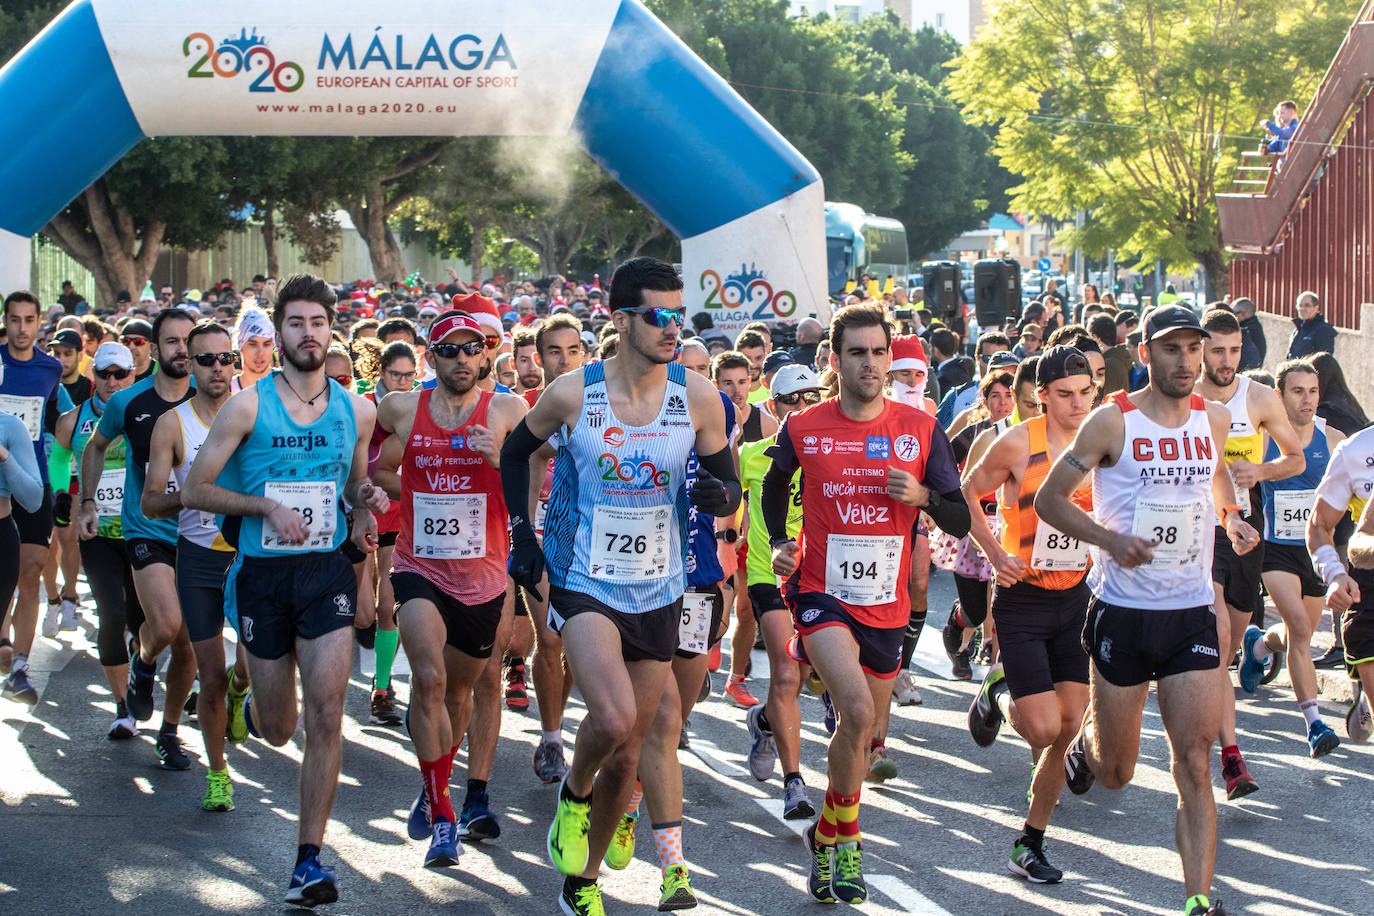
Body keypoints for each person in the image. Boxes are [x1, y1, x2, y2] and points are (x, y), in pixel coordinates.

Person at [500, 257, 738, 915]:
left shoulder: (697, 397)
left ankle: (583, 882)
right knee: (611, 718)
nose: (671, 328)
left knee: (631, 749)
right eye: (658, 316)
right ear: (622, 319)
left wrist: (720, 494)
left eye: (678, 315)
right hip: (584, 578)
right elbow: (516, 451)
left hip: (660, 586)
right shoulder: (575, 393)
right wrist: (523, 535)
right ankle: (572, 793)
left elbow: (728, 490)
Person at [1037, 305, 1257, 916]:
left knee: (1194, 760)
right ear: (1146, 353)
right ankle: (1085, 744)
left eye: (1196, 349)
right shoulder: (1113, 422)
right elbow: (1052, 500)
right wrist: (1110, 542)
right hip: (1122, 614)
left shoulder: (1211, 418)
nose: (1187, 360)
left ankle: (1198, 900)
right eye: (1173, 349)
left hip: (1190, 613)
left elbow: (1213, 476)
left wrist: (1232, 518)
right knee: (1116, 774)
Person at [182, 274, 389, 907]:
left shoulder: (356, 409)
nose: (308, 334)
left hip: (325, 571)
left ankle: (309, 859)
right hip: (262, 578)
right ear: (279, 333)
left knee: (329, 714)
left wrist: (367, 502)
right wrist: (264, 506)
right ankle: (249, 702)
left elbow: (356, 487)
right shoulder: (247, 405)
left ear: (332, 330)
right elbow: (194, 490)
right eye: (295, 323)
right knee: (279, 728)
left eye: (318, 323)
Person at [765, 302, 968, 905]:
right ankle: (850, 843)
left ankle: (826, 835)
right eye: (858, 352)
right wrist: (780, 541)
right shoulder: (804, 426)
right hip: (819, 589)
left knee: (865, 730)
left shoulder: (920, 427)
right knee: (852, 710)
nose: (872, 363)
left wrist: (925, 494)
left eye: (880, 352)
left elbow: (958, 512)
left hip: (887, 599)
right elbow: (776, 484)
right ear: (834, 358)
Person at [374, 311, 526, 868]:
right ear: (430, 358)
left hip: (483, 577)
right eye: (449, 350)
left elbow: (538, 480)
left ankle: (432, 776)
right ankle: (443, 815)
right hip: (419, 566)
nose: (462, 359)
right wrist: (391, 494)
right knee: (430, 678)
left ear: (485, 356)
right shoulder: (402, 409)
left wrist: (498, 459)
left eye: (472, 350)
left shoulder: (508, 410)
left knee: (458, 695)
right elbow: (385, 468)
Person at [962, 346, 1097, 884]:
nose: (1077, 404)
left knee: (1067, 728)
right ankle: (996, 690)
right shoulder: (1017, 441)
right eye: (1065, 395)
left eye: (1086, 393)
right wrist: (997, 556)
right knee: (1043, 729)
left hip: (1077, 597)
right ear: (1041, 395)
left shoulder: (1103, 439)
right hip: (1023, 596)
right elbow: (965, 492)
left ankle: (1030, 842)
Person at [79, 308, 199, 770]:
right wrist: (87, 502)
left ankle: (169, 733)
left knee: (188, 643)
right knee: (165, 625)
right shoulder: (127, 401)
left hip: (196, 533)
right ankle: (144, 662)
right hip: (145, 526)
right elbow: (92, 447)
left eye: (188, 341)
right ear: (153, 350)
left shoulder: (213, 401)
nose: (181, 350)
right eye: (171, 342)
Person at [1194, 308, 1302, 799]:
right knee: (1216, 637)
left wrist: (1261, 473)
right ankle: (1232, 758)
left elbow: (1294, 455)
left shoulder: (1258, 397)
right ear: (1200, 349)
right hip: (1199, 528)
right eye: (1217, 350)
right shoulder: (1185, 400)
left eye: (1235, 350)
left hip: (1247, 528)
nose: (1227, 360)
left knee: (1230, 644)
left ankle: (1213, 703)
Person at [142, 320, 248, 809]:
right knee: (210, 670)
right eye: (207, 359)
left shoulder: (255, 413)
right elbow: (149, 503)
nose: (219, 368)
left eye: (226, 358)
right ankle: (218, 774)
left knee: (248, 670)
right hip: (200, 561)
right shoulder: (173, 424)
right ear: (190, 362)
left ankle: (239, 693)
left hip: (252, 556)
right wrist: (191, 495)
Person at [1238, 360, 1345, 756]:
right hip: (1276, 549)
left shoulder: (1333, 440)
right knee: (1300, 628)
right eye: (1298, 391)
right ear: (1280, 396)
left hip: (1316, 550)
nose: (1308, 399)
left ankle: (1260, 647)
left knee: (1295, 634)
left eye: (1313, 391)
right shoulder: (1263, 438)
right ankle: (1315, 724)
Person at [739, 364, 819, 817]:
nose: (802, 408)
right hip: (767, 573)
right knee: (787, 675)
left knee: (805, 677)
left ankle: (766, 720)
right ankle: (795, 783)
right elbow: (730, 512)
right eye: (792, 400)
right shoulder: (751, 453)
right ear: (773, 406)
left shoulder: (834, 452)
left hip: (819, 577)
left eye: (811, 398)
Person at [50, 343, 135, 727]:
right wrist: (61, 493)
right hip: (96, 532)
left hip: (141, 531)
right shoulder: (73, 419)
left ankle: (142, 667)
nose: (112, 382)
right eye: (104, 374)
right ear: (93, 376)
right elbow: (59, 458)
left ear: (133, 374)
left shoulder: (148, 414)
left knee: (144, 620)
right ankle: (122, 707)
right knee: (111, 614)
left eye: (120, 374)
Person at [521, 312, 587, 783]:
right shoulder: (521, 406)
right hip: (542, 531)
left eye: (572, 350)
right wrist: (521, 530)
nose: (563, 360)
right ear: (537, 356)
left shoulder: (599, 402)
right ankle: (550, 738)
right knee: (548, 639)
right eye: (553, 351)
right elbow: (521, 462)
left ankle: (557, 719)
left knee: (572, 646)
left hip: (589, 538)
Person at [0, 291, 65, 704]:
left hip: (34, 481)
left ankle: (20, 664)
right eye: (14, 319)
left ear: (39, 323)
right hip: (3, 489)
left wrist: (65, 481)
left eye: (29, 320)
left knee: (30, 570)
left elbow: (59, 420)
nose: (22, 328)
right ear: (5, 321)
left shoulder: (51, 367)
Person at [713, 349, 776, 708]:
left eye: (743, 382)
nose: (737, 390)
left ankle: (736, 680)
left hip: (753, 532)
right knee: (716, 610)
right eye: (728, 383)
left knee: (748, 608)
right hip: (718, 527)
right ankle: (702, 660)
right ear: (715, 383)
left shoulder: (766, 425)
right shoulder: (708, 418)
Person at [1286, 292, 1337, 360]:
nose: (1302, 309)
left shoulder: (1323, 330)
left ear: (1316, 308)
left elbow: (1323, 360)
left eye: (1307, 306)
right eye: (1300, 305)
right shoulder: (1297, 331)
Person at [1231, 298, 1266, 371]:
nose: (1232, 316)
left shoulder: (1248, 331)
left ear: (1243, 314)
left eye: (1234, 313)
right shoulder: (1254, 326)